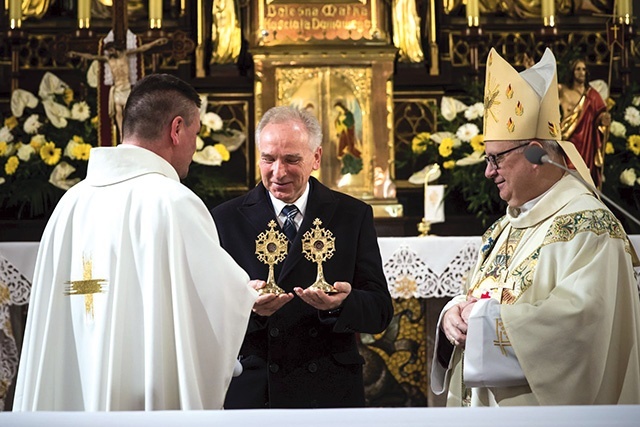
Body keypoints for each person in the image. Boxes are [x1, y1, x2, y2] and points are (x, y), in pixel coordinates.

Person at [12, 73, 258, 411]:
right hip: (144, 408)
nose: (194, 146)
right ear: (176, 129)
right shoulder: (173, 203)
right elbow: (215, 303)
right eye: (196, 134)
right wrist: (249, 296)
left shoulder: (70, 204)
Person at [431, 48, 640, 406]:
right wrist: (452, 315)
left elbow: (582, 329)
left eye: (496, 158)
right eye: (486, 158)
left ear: (533, 154)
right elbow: (482, 295)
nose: (487, 171)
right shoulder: (503, 228)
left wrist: (481, 322)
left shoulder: (590, 228)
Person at [210, 105, 393, 408]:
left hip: (328, 389)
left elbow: (380, 311)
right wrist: (248, 309)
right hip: (258, 391)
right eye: (268, 159)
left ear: (316, 158)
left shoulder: (352, 215)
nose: (278, 172)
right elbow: (208, 316)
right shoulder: (225, 219)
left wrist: (341, 305)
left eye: (291, 159)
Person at [68, 37, 168, 137]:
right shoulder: (108, 59)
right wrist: (77, 54)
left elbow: (142, 48)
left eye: (111, 50)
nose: (110, 53)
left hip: (126, 87)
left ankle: (128, 132)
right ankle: (121, 133)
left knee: (127, 111)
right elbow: (91, 57)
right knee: (118, 112)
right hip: (117, 88)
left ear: (115, 49)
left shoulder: (125, 54)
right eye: (108, 51)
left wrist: (155, 42)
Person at [558, 58, 610, 188]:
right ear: (572, 71)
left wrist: (604, 118)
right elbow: (545, 87)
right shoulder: (562, 90)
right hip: (567, 139)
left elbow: (601, 113)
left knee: (583, 175)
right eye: (578, 69)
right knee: (566, 174)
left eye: (584, 69)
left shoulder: (592, 95)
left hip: (586, 143)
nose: (581, 72)